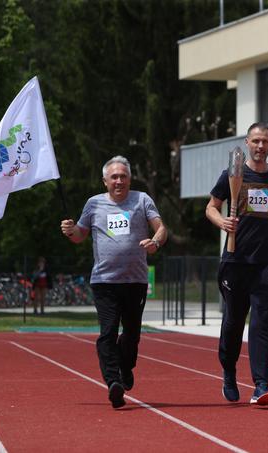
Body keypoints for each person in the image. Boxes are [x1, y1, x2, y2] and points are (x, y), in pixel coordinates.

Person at [60, 155, 167, 409]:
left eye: (123, 176)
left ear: (129, 179)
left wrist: (156, 242)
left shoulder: (142, 200)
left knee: (131, 335)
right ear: (105, 181)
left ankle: (125, 366)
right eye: (114, 177)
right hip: (104, 282)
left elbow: (161, 227)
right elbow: (79, 236)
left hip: (135, 281)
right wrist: (70, 230)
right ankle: (113, 382)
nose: (119, 181)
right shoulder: (94, 204)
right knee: (107, 333)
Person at [206, 122, 268, 405]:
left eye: (265, 142)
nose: (260, 146)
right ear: (247, 142)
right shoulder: (231, 174)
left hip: (266, 261)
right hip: (235, 260)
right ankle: (229, 371)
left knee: (263, 322)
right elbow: (211, 206)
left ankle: (261, 384)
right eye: (255, 141)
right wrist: (223, 221)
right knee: (234, 320)